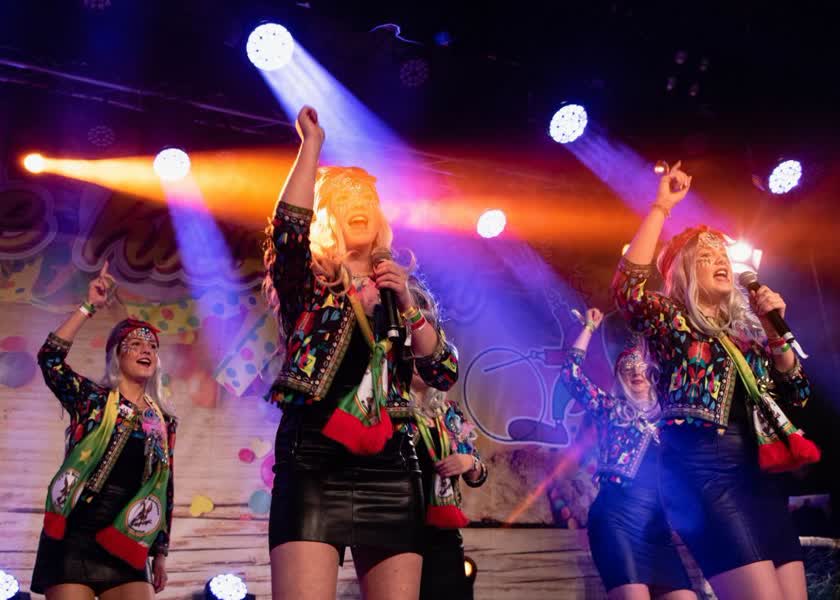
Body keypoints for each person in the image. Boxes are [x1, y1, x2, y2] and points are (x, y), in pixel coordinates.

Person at [263, 106, 459, 600]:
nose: (359, 203)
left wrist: (407, 302)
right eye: (345, 197)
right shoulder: (309, 288)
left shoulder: (402, 291)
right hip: (313, 458)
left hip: (391, 464)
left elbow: (442, 372)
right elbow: (287, 234)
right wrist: (311, 146)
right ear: (328, 216)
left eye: (367, 197)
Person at [613, 162, 817, 600]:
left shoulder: (746, 337)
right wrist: (661, 207)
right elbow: (628, 292)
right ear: (685, 273)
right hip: (705, 474)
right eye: (705, 256)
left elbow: (798, 393)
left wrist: (775, 330)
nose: (720, 260)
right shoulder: (673, 323)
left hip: (760, 478)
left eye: (722, 255)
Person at [31, 262, 176, 599]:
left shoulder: (162, 421)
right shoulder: (92, 399)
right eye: (136, 344)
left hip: (127, 532)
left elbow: (165, 485)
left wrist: (160, 553)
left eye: (152, 347)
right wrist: (89, 306)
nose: (146, 350)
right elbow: (50, 359)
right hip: (74, 530)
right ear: (116, 354)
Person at [558, 308, 694, 600]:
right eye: (626, 366)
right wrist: (589, 328)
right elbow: (570, 375)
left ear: (652, 371)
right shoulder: (610, 408)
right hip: (617, 521)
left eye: (641, 365)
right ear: (618, 376)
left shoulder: (671, 417)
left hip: (657, 530)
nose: (635, 371)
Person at [407, 290, 487, 600]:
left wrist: (469, 462)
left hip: (443, 533)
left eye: (426, 358)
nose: (420, 363)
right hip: (400, 525)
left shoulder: (450, 414)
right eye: (414, 356)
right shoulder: (393, 408)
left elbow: (478, 474)